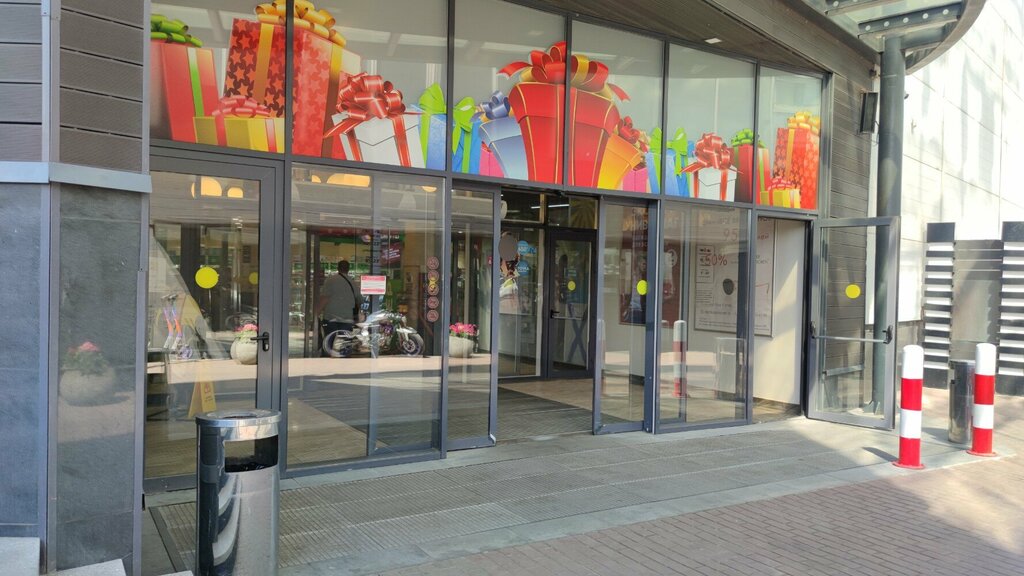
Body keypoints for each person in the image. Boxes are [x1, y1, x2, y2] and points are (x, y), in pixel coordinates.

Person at [316, 260, 359, 342]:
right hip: (347, 317)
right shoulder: (353, 282)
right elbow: (359, 299)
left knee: (329, 341)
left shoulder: (330, 280)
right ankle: (344, 349)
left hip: (331, 317)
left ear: (338, 268)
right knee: (345, 342)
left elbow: (324, 298)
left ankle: (328, 349)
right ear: (348, 269)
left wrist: (316, 313)